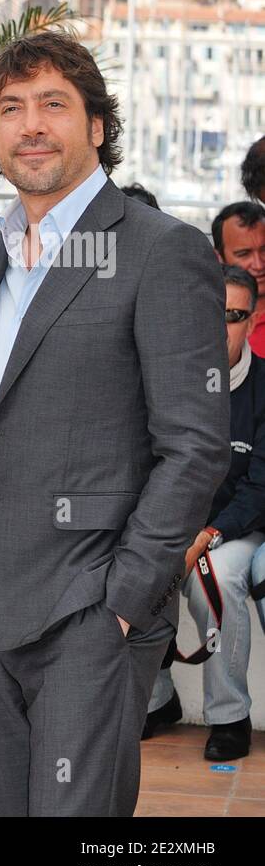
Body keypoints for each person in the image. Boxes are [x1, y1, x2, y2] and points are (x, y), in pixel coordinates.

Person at [0, 31, 228, 816]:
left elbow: (196, 446)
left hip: (94, 609)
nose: (31, 125)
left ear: (97, 126)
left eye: (53, 105)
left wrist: (124, 597)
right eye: (11, 109)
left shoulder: (161, 251)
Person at [145, 266, 265, 761]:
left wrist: (207, 536)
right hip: (176, 520)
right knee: (132, 561)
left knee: (215, 577)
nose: (220, 327)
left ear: (252, 320)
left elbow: (260, 489)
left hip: (241, 529)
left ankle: (229, 714)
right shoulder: (167, 377)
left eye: (234, 316)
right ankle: (156, 699)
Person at [211, 202, 265, 358]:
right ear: (218, 257)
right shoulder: (202, 316)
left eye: (264, 250)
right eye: (243, 254)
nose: (258, 264)